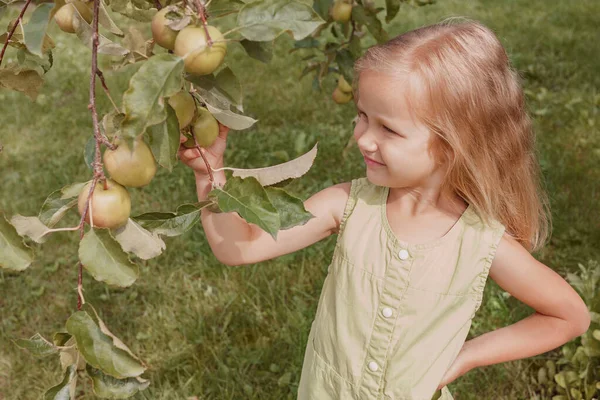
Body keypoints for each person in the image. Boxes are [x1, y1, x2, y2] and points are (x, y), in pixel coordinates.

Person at [178, 17, 591, 400]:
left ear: (454, 147)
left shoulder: (482, 243)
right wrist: (210, 174)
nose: (362, 138)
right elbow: (240, 248)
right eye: (362, 116)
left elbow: (569, 316)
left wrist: (467, 356)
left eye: (388, 129)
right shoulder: (348, 205)